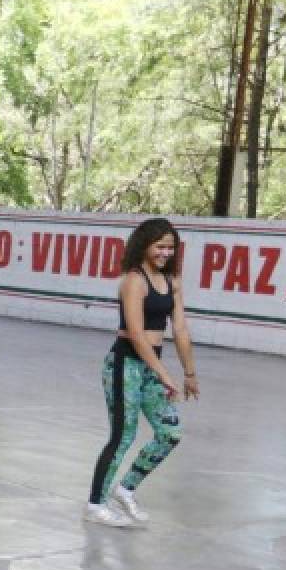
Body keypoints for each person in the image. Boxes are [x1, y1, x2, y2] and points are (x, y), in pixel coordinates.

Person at [87, 218, 196, 528]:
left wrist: (189, 372)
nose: (165, 252)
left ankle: (126, 489)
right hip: (125, 365)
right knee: (123, 435)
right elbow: (135, 333)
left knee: (170, 433)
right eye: (159, 246)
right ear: (144, 245)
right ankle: (95, 505)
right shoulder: (133, 280)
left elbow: (181, 328)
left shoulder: (172, 281)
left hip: (151, 366)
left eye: (170, 247)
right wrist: (162, 372)